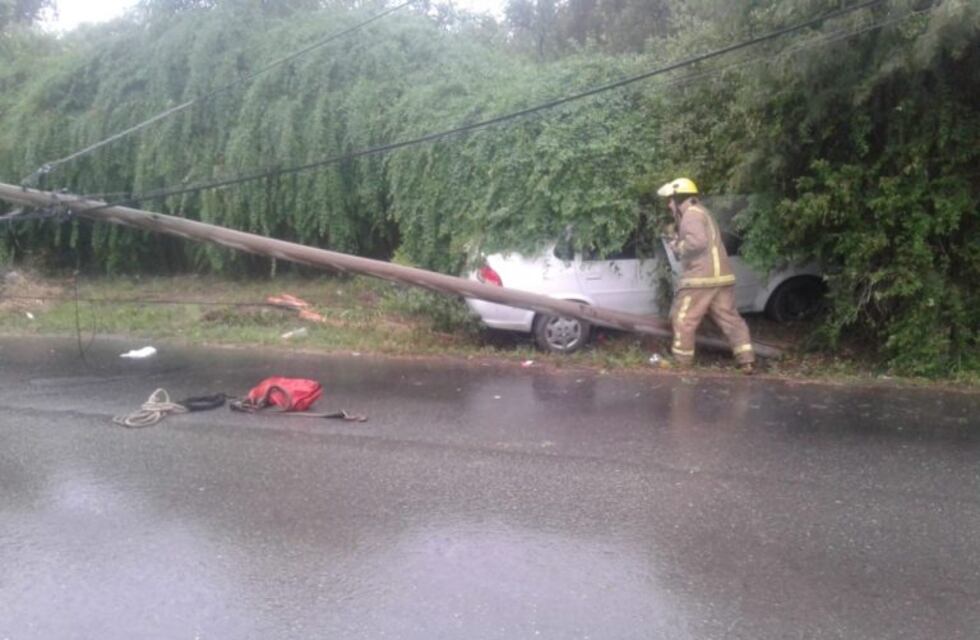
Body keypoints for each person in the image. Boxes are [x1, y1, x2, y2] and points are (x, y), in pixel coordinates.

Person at [657, 178, 755, 373]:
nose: (668, 205)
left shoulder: (690, 215)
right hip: (721, 277)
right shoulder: (703, 213)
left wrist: (677, 246)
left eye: (670, 200)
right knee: (730, 319)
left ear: (679, 199)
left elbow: (697, 243)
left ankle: (682, 362)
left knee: (684, 318)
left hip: (701, 278)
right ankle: (746, 360)